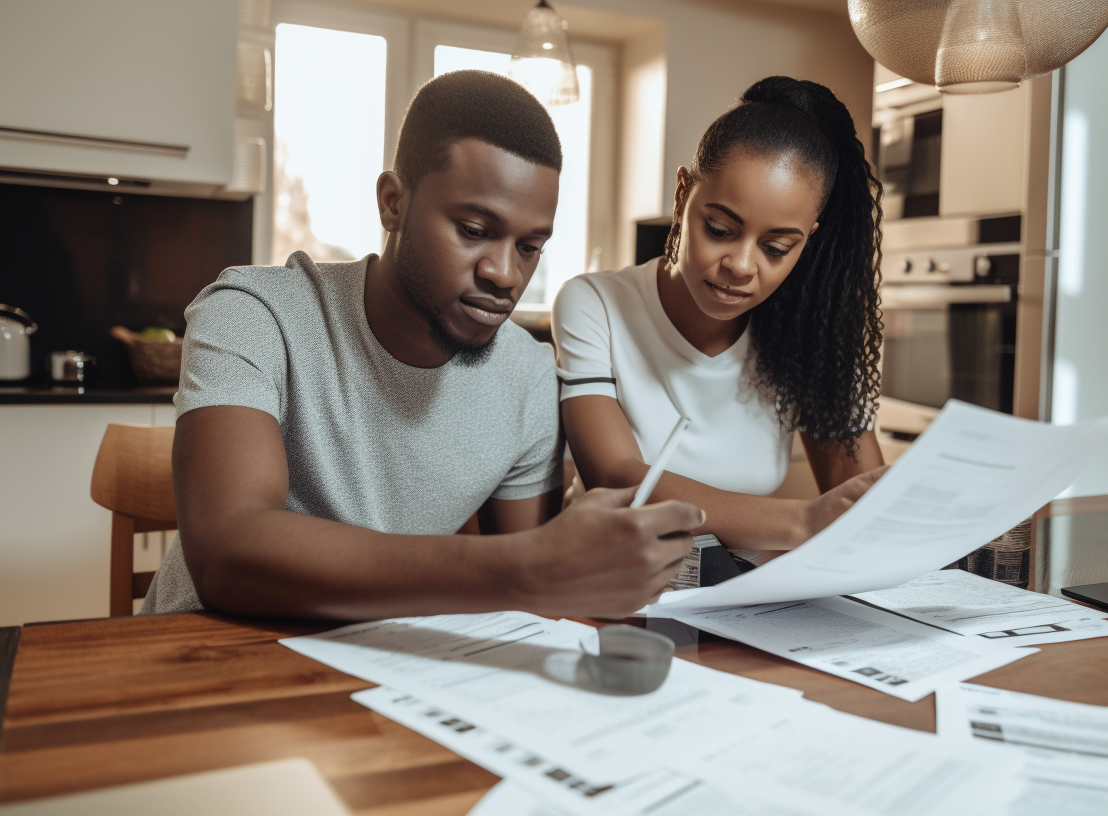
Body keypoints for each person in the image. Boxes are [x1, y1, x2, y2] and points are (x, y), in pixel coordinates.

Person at [139, 70, 702, 620]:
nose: (505, 273)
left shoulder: (528, 378)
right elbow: (227, 553)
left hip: (386, 673)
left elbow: (533, 603)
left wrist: (585, 558)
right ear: (393, 203)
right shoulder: (256, 313)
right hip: (206, 664)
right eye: (475, 230)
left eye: (530, 246)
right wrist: (526, 567)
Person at [553, 76, 887, 554]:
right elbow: (619, 479)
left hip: (737, 603)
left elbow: (866, 504)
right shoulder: (595, 305)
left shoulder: (808, 332)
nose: (741, 266)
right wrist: (804, 522)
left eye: (776, 248)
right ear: (682, 194)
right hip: (608, 586)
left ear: (806, 241)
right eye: (720, 229)